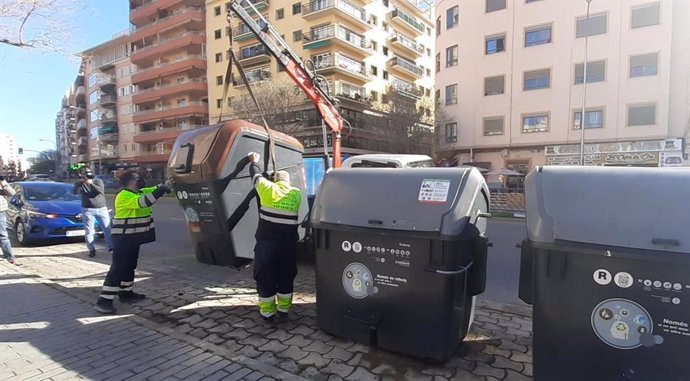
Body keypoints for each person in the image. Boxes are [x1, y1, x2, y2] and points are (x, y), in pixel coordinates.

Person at [94, 170, 172, 314]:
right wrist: (162, 189)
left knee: (130, 265)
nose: (140, 180)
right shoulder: (124, 195)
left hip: (132, 237)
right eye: (137, 178)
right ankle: (104, 301)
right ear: (130, 181)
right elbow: (145, 202)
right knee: (118, 268)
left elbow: (152, 190)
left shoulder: (138, 192)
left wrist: (165, 184)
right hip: (123, 238)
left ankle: (126, 293)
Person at [248, 152, 302, 322]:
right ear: (288, 182)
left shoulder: (267, 188)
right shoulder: (296, 194)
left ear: (274, 181)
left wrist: (254, 162)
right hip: (288, 245)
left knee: (265, 276)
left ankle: (267, 313)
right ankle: (284, 310)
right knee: (286, 275)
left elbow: (255, 175)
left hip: (267, 244)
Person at [73, 167, 112, 257]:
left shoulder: (97, 181)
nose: (87, 175)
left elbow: (100, 191)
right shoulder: (79, 183)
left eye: (89, 173)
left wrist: (90, 183)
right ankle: (91, 250)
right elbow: (74, 192)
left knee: (107, 229)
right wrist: (79, 184)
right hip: (87, 210)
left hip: (101, 208)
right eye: (85, 173)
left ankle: (111, 247)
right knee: (89, 231)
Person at [0, 176, 20, 266]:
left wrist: (2, 183)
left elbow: (12, 193)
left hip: (0, 211)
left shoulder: (1, 182)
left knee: (3, 236)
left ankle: (11, 259)